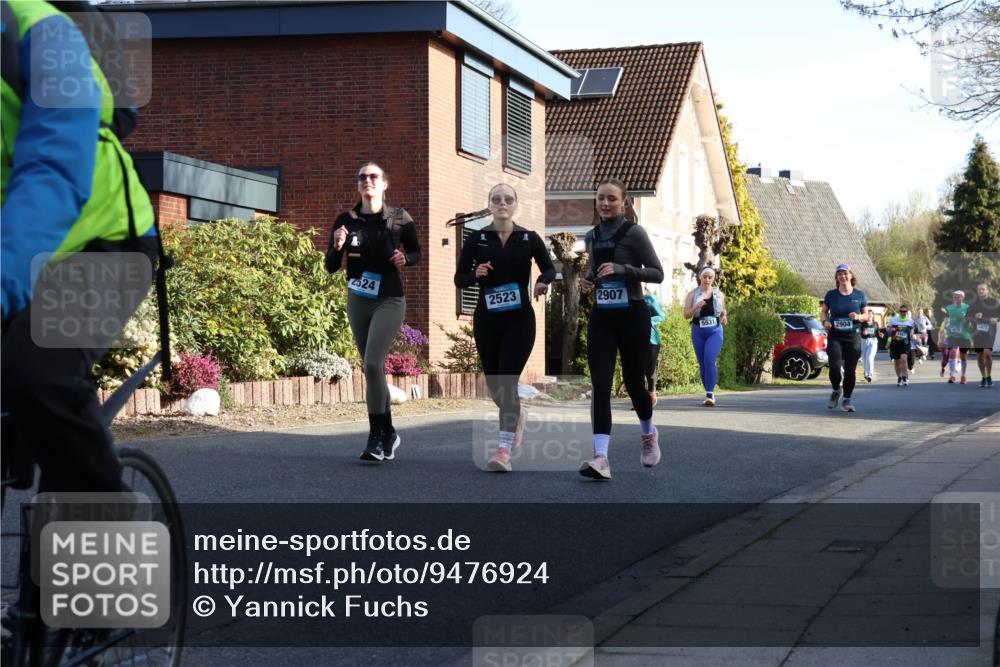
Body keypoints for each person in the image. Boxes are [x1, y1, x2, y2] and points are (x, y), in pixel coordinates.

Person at [1, 0, 160, 492]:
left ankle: (107, 523)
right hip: (15, 255)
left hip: (102, 245)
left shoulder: (39, 31)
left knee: (37, 371)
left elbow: (53, 172)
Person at [453, 184, 555, 473]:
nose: (502, 203)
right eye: (496, 199)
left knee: (507, 382)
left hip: (520, 320)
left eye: (508, 199)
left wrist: (543, 282)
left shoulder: (528, 238)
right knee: (496, 388)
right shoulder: (477, 239)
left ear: (515, 205)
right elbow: (459, 279)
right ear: (489, 204)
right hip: (487, 320)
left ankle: (503, 450)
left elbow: (549, 268)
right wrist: (475, 274)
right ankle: (517, 416)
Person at [326, 162, 421, 461]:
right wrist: (337, 246)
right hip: (358, 299)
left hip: (389, 300)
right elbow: (330, 266)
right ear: (358, 185)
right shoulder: (346, 220)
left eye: (373, 176)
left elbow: (416, 252)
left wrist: (405, 258)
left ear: (384, 184)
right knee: (373, 369)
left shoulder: (399, 218)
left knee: (372, 363)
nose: (367, 180)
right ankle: (388, 432)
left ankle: (375, 438)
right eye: (362, 177)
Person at [578, 178, 664, 480]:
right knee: (600, 385)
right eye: (600, 198)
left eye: (611, 198)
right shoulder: (591, 236)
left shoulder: (634, 233)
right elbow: (595, 272)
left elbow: (657, 273)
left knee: (633, 384)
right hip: (603, 317)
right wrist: (588, 281)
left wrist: (623, 270)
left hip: (632, 315)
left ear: (624, 202)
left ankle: (648, 433)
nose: (605, 203)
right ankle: (600, 457)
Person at [821, 263, 869, 412]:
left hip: (853, 336)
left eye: (845, 273)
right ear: (837, 277)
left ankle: (847, 400)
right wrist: (825, 321)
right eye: (840, 274)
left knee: (850, 370)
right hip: (835, 335)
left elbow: (866, 315)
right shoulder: (831, 295)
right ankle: (836, 390)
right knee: (835, 366)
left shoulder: (859, 295)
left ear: (851, 275)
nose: (843, 276)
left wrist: (858, 317)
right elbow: (824, 312)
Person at [683, 267, 728, 406]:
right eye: (705, 277)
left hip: (715, 331)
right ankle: (708, 391)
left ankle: (710, 394)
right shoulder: (692, 294)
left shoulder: (718, 294)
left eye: (710, 277)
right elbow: (686, 315)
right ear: (700, 278)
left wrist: (724, 316)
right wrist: (696, 306)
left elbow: (723, 309)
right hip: (698, 331)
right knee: (702, 362)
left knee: (709, 359)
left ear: (713, 279)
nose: (707, 280)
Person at [969, 281, 999, 388]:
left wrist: (996, 319)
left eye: (983, 289)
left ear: (987, 290)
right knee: (980, 357)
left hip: (990, 332)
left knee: (987, 353)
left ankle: (989, 376)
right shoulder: (974, 304)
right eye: (979, 289)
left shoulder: (994, 302)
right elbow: (967, 317)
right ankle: (984, 376)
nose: (981, 291)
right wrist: (974, 317)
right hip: (978, 333)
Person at [942, 290, 974, 384]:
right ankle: (952, 375)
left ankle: (963, 375)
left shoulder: (967, 307)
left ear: (963, 297)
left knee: (963, 355)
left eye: (958, 296)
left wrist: (970, 323)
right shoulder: (949, 307)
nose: (956, 298)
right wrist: (944, 329)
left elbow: (972, 319)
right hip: (952, 334)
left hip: (964, 335)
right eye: (954, 296)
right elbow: (946, 319)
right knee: (952, 352)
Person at [643, 286, 666, 407]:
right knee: (636, 370)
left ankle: (651, 392)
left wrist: (647, 321)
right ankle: (640, 400)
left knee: (649, 371)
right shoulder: (627, 298)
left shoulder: (649, 298)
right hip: (634, 340)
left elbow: (661, 315)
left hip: (651, 340)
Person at [887, 306, 917, 386]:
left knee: (904, 359)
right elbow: (888, 328)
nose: (903, 313)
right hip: (895, 343)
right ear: (899, 312)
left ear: (907, 312)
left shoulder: (910, 321)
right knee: (897, 361)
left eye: (904, 311)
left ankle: (905, 377)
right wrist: (891, 329)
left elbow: (912, 330)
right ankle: (899, 378)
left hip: (905, 343)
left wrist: (912, 334)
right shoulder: (894, 320)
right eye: (901, 311)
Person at [860, 310, 880, 383]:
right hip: (864, 341)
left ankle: (869, 374)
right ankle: (866, 373)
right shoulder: (863, 323)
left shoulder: (875, 323)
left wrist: (880, 334)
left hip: (873, 341)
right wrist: (863, 332)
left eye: (871, 314)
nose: (870, 315)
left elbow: (877, 332)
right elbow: (861, 332)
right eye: (868, 314)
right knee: (864, 359)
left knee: (870, 357)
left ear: (873, 315)